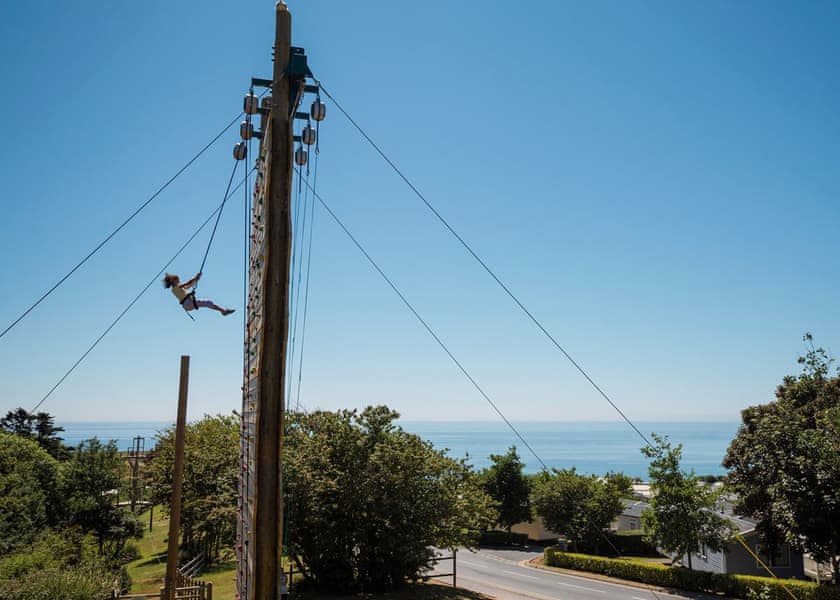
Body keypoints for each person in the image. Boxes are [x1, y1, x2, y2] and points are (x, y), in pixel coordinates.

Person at [162, 272, 235, 316]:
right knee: (208, 303)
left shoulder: (178, 288)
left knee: (208, 303)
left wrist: (196, 279)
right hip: (188, 303)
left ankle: (223, 311)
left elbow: (188, 286)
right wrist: (195, 277)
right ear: (173, 281)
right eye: (177, 280)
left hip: (188, 305)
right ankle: (223, 311)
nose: (179, 281)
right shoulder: (175, 288)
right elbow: (188, 283)